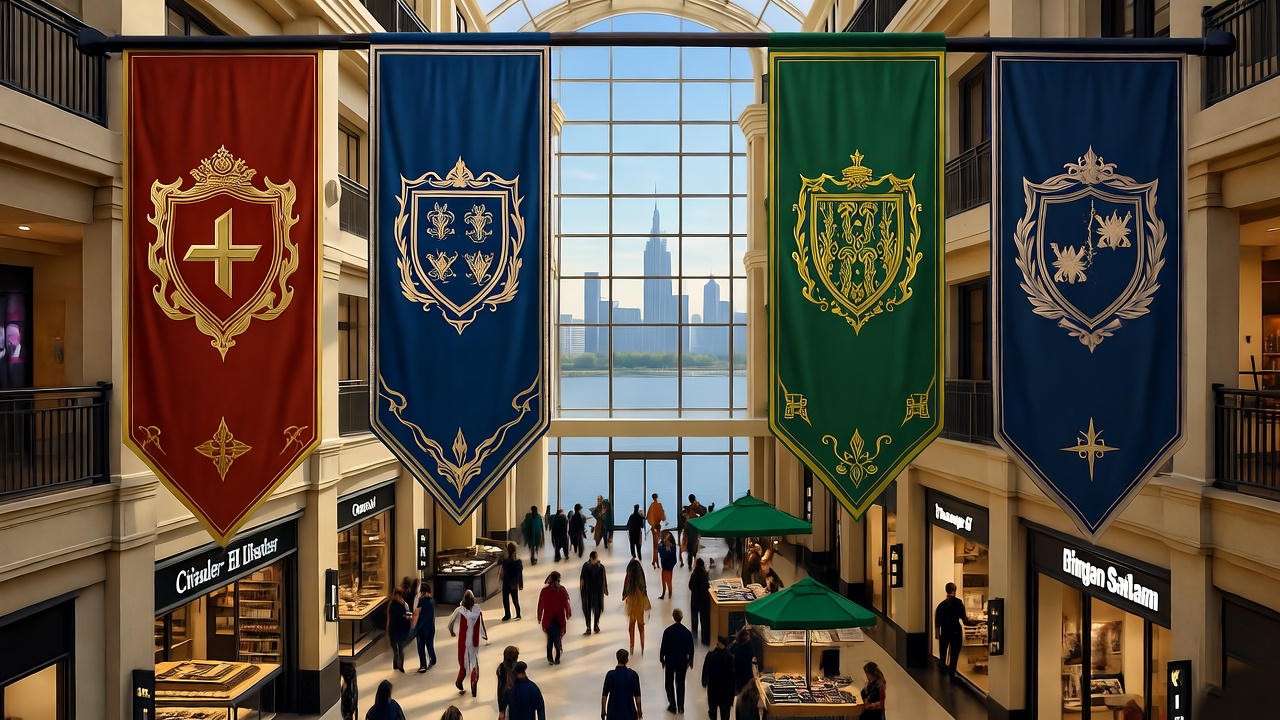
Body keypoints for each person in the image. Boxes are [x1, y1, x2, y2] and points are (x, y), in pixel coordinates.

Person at [447, 589, 488, 697]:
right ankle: (473, 682)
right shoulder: (477, 609)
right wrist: (484, 635)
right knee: (474, 664)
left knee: (463, 666)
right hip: (474, 642)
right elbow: (482, 624)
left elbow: (450, 623)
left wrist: (452, 632)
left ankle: (459, 682)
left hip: (463, 643)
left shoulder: (459, 610)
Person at [934, 581, 978, 677]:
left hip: (945, 631)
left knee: (943, 655)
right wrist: (976, 623)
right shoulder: (958, 603)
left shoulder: (941, 605)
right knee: (954, 656)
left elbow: (937, 621)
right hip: (955, 632)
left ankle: (941, 676)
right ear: (955, 590)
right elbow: (965, 620)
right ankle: (952, 674)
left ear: (946, 591)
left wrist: (937, 634)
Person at [660, 609, 695, 714]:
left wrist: (662, 659)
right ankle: (681, 707)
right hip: (682, 661)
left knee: (669, 683)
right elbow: (691, 648)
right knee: (680, 683)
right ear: (682, 617)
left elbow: (663, 647)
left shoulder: (668, 631)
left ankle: (672, 705)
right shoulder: (687, 632)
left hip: (670, 661)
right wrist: (690, 660)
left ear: (673, 617)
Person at [537, 571, 572, 664]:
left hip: (548, 619)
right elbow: (566, 603)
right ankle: (557, 658)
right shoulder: (562, 590)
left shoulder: (544, 591)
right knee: (556, 639)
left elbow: (540, 604)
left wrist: (539, 616)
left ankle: (551, 658)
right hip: (559, 619)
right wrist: (568, 613)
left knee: (550, 640)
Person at [602, 649, 643, 720]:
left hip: (613, 713)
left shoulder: (610, 675)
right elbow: (637, 697)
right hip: (629, 713)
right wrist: (639, 712)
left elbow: (604, 695)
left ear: (617, 658)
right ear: (627, 660)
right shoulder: (633, 675)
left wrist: (603, 710)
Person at [622, 558, 652, 654]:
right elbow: (644, 586)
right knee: (641, 626)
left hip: (631, 600)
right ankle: (642, 646)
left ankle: (632, 647)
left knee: (631, 626)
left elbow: (625, 585)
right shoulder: (640, 575)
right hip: (640, 600)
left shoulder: (629, 574)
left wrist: (624, 595)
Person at [702, 637, 736, 720]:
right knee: (724, 714)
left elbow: (705, 669)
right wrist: (732, 694)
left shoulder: (711, 654)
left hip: (714, 689)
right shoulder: (729, 657)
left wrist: (704, 681)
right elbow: (733, 677)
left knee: (713, 711)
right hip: (725, 691)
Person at [410, 581, 437, 672]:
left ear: (422, 591)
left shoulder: (421, 601)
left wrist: (413, 625)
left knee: (421, 647)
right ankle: (433, 660)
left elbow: (417, 614)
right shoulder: (432, 600)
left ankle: (423, 666)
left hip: (421, 627)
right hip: (431, 627)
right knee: (430, 645)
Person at [581, 550, 609, 634]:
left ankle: (596, 625)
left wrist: (605, 590)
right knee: (587, 611)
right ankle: (588, 627)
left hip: (597, 593)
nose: (594, 561)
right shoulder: (585, 566)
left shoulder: (601, 567)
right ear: (590, 558)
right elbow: (582, 579)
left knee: (597, 610)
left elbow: (604, 579)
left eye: (595, 559)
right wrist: (582, 592)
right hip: (587, 593)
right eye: (593, 559)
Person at [385, 587, 412, 673]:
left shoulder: (403, 604)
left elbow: (408, 615)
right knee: (396, 649)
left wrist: (407, 617)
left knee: (400, 648)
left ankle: (400, 666)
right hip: (395, 628)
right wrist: (387, 628)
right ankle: (396, 664)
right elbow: (389, 617)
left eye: (398, 595)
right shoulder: (394, 604)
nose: (397, 597)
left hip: (399, 628)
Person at [688, 558, 711, 646]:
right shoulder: (705, 574)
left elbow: (690, 586)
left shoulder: (694, 574)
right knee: (704, 620)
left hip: (694, 600)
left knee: (694, 619)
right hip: (704, 601)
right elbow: (707, 587)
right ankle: (705, 640)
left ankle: (694, 638)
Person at [501, 542, 524, 621]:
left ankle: (507, 615)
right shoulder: (518, 561)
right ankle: (518, 614)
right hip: (514, 583)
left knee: (505, 599)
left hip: (506, 583)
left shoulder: (505, 561)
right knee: (515, 600)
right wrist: (520, 584)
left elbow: (503, 570)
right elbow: (520, 574)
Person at [729, 627, 757, 693]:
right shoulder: (748, 647)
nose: (748, 637)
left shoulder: (737, 646)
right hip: (745, 674)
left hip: (740, 673)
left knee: (741, 690)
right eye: (747, 635)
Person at [683, 495, 706, 568]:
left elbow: (687, 518)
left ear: (690, 500)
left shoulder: (691, 507)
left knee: (690, 548)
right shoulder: (697, 506)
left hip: (690, 528)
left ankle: (690, 565)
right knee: (694, 546)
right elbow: (704, 512)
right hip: (695, 528)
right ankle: (694, 564)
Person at [496, 646, 520, 715]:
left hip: (507, 702)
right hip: (512, 701)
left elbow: (500, 690)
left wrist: (501, 710)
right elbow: (500, 689)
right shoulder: (517, 669)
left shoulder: (501, 668)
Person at [646, 493, 667, 568]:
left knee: (655, 545)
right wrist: (663, 512)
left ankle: (654, 560)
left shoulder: (651, 506)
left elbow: (648, 517)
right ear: (657, 497)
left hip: (653, 527)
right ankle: (655, 561)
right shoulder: (659, 505)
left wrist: (652, 523)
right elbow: (663, 518)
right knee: (657, 545)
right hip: (657, 527)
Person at [657, 531, 678, 599]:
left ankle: (669, 593)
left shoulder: (672, 546)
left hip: (669, 566)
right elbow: (659, 550)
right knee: (663, 580)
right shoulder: (662, 544)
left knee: (668, 581)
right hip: (664, 565)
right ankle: (664, 593)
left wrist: (667, 549)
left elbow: (672, 557)